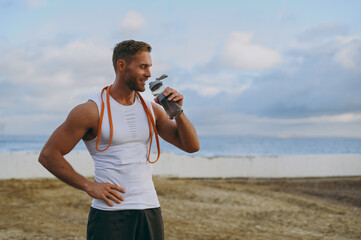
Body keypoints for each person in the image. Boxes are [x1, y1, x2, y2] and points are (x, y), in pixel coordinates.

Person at [38, 40, 200, 240]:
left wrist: (177, 111)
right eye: (143, 67)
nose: (149, 74)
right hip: (110, 213)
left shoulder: (153, 110)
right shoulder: (90, 111)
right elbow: (48, 155)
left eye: (150, 67)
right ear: (121, 66)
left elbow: (191, 146)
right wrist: (88, 186)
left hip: (149, 209)